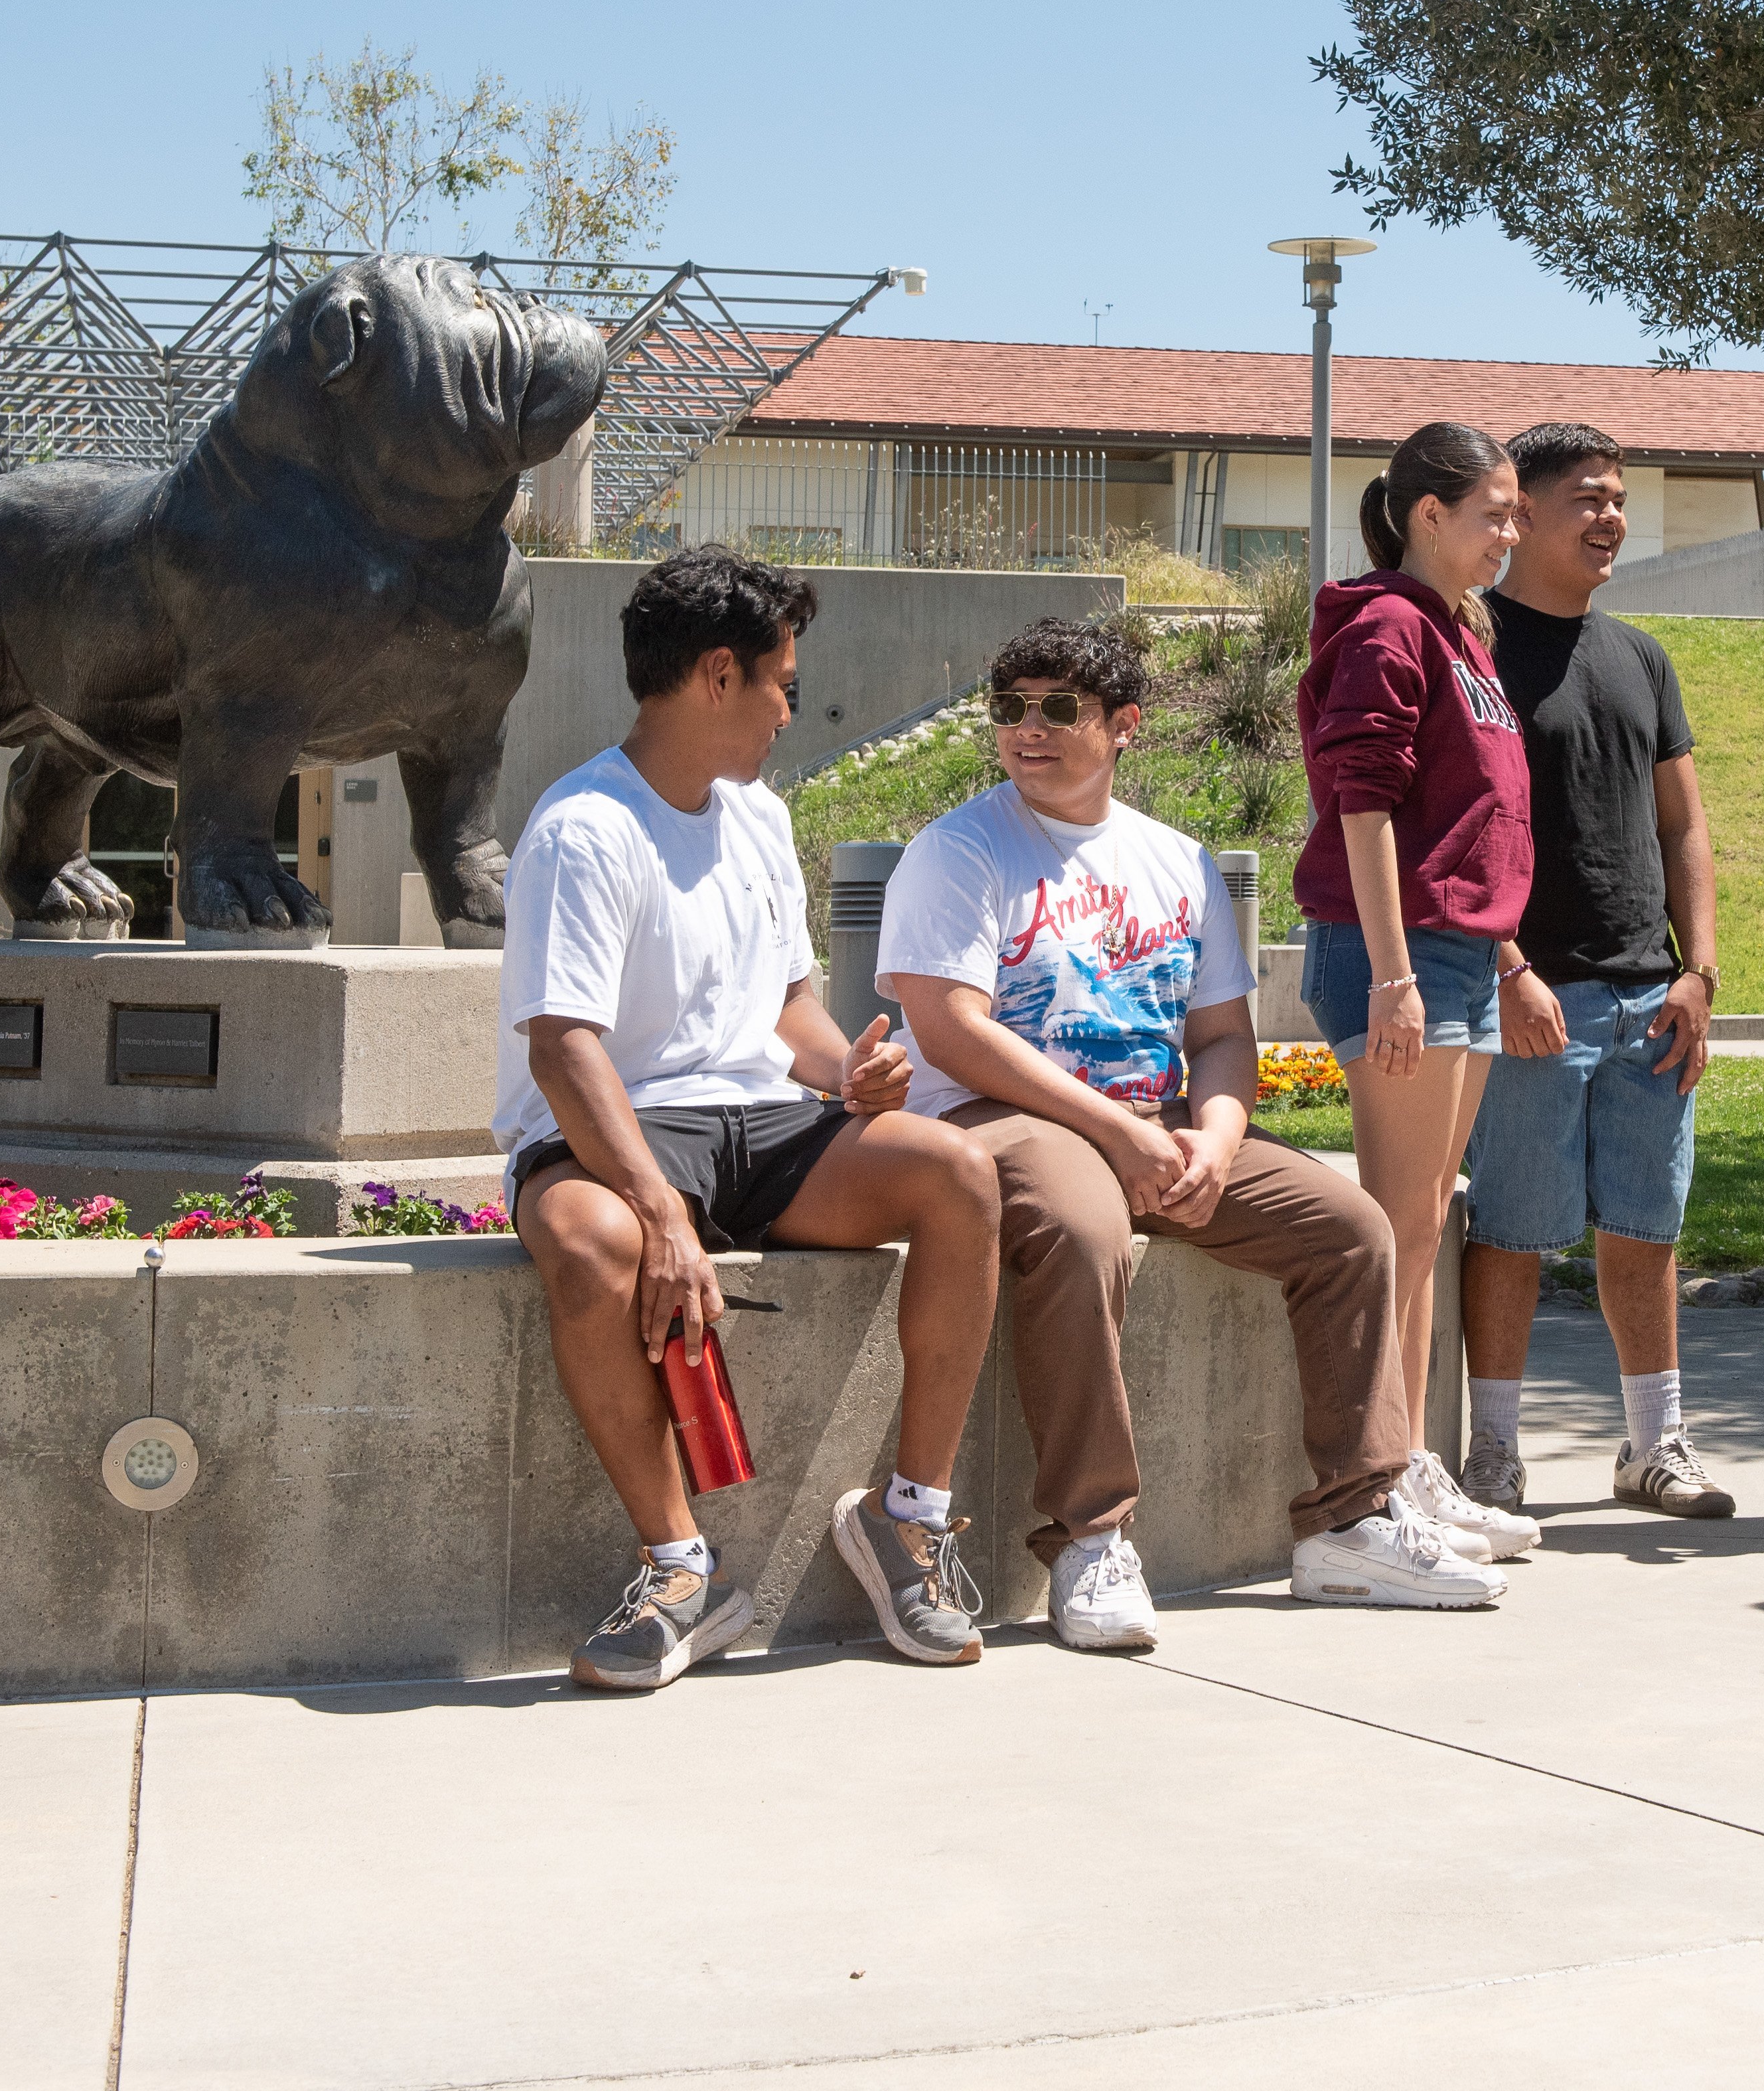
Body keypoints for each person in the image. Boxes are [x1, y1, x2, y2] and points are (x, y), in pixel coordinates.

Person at [882, 618, 1507, 1633]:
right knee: (1084, 1236)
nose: (1027, 731)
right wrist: (1121, 1136)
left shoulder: (1175, 860)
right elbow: (951, 1032)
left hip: (1158, 1121)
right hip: (1000, 1117)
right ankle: (1093, 1540)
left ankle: (1351, 1523)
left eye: (1058, 709)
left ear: (1125, 725)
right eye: (1009, 709)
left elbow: (1221, 1034)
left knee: (1352, 1231)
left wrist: (1214, 1140)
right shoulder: (959, 852)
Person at [500, 544, 1007, 1692]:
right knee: (592, 1242)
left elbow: (789, 1010)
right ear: (718, 676)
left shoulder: (759, 815)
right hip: (618, 1121)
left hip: (762, 1123)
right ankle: (682, 1571)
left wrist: (850, 1075)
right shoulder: (586, 826)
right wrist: (658, 1215)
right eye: (783, 680)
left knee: (959, 1175)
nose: (792, 703)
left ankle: (907, 1521)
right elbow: (564, 1044)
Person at [1455, 422, 1731, 1521]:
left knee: (1648, 1230)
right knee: (1512, 1232)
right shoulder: (1475, 651)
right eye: (1589, 499)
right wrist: (1510, 967)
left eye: (1620, 499)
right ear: (1522, 514)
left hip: (1648, 994)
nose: (1612, 517)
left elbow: (1685, 827)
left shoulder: (1640, 658)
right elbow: (1460, 832)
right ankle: (1493, 1456)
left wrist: (1699, 970)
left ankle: (1654, 1447)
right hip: (1530, 996)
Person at [1293, 419, 1543, 1567]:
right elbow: (1365, 803)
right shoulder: (1392, 626)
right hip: (1392, 953)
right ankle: (1372, 1485)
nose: (1511, 533)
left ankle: (1413, 1462)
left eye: (1515, 516)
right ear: (1425, 514)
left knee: (1427, 1221)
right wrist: (1394, 975)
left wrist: (1503, 962)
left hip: (1458, 955)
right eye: (1494, 512)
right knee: (1394, 1226)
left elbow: (1471, 824)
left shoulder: (1463, 635)